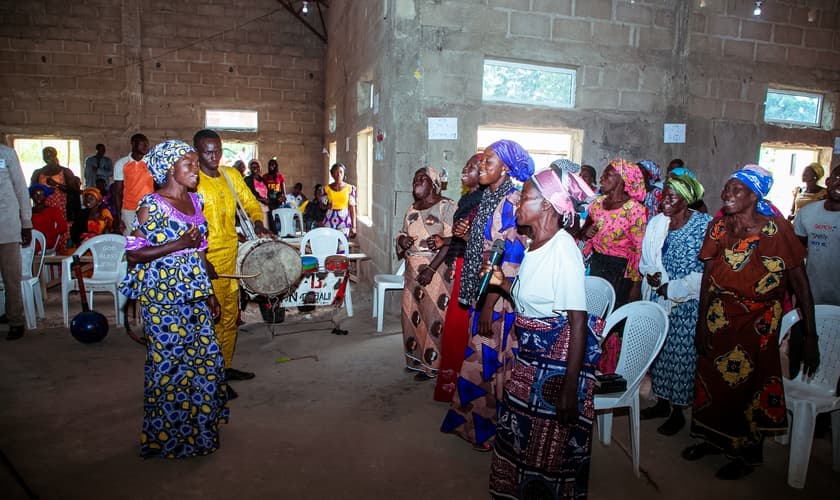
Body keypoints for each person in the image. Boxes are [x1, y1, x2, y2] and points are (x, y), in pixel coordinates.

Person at [683, 166, 819, 480]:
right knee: (711, 381)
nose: (727, 195)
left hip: (758, 321)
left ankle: (746, 453)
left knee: (749, 386)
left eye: (736, 190)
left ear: (754, 195)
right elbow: (707, 277)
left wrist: (810, 335)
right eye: (727, 189)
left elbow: (800, 282)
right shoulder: (718, 227)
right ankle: (712, 439)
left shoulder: (776, 230)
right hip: (718, 318)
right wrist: (702, 322)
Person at [483, 165, 604, 499]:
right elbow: (528, 296)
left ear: (548, 206)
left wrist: (569, 390)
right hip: (531, 359)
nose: (518, 205)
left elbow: (577, 322)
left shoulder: (563, 250)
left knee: (547, 448)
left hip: (555, 367)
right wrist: (498, 282)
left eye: (525, 198)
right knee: (522, 435)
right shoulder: (535, 244)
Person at [119, 139, 229, 458]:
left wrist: (209, 291)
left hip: (195, 295)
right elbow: (134, 255)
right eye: (189, 164)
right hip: (163, 300)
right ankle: (168, 438)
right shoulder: (150, 205)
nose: (196, 169)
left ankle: (200, 432)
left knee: (207, 362)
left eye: (196, 163)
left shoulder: (196, 202)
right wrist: (177, 244)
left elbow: (200, 250)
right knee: (170, 369)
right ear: (170, 169)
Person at [441, 140, 533, 451]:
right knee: (479, 362)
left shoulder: (511, 202)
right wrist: (470, 235)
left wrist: (488, 304)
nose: (481, 166)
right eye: (481, 161)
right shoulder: (489, 196)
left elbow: (510, 258)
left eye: (488, 162)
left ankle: (491, 433)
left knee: (487, 364)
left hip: (498, 299)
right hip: (482, 290)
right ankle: (474, 427)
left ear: (505, 168)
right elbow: (487, 245)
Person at [194, 129, 270, 397]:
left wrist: (258, 222)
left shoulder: (231, 175)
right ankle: (212, 378)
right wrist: (201, 262)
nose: (214, 157)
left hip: (232, 256)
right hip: (206, 260)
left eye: (218, 150)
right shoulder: (193, 181)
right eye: (208, 152)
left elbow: (250, 203)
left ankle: (224, 367)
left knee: (230, 317)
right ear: (197, 152)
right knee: (210, 320)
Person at [638, 172, 712, 436]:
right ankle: (662, 402)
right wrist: (652, 275)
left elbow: (706, 271)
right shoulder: (658, 222)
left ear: (687, 198)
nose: (664, 199)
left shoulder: (704, 225)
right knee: (660, 353)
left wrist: (675, 288)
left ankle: (679, 411)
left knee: (681, 358)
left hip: (686, 303)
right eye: (664, 193)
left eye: (672, 195)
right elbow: (646, 258)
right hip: (659, 296)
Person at [580, 158, 647, 373]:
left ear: (622, 180)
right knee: (592, 317)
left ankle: (608, 372)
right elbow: (585, 231)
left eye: (608, 174)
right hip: (597, 266)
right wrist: (585, 233)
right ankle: (587, 366)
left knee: (613, 323)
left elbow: (638, 250)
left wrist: (635, 286)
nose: (602, 178)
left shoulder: (634, 210)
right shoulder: (597, 204)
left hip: (621, 273)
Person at [396, 167, 456, 380]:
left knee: (432, 317)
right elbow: (403, 233)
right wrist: (402, 240)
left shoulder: (446, 207)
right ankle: (415, 360)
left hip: (437, 271)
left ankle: (432, 367)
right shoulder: (411, 209)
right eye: (415, 178)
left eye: (423, 178)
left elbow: (452, 241)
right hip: (413, 271)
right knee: (412, 315)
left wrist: (431, 269)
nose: (416, 182)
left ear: (434, 184)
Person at [433, 153, 484, 402]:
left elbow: (481, 239)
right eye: (466, 165)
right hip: (459, 262)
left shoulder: (484, 200)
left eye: (473, 166)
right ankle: (451, 384)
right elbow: (462, 235)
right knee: (453, 328)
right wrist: (447, 241)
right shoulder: (467, 198)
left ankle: (459, 386)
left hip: (471, 268)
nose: (466, 169)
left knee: (458, 327)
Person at [794, 164, 840, 306]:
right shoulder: (807, 213)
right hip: (811, 294)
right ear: (828, 182)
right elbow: (796, 256)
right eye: (837, 178)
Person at [0, 145, 33, 340]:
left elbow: (21, 189)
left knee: (11, 276)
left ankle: (16, 320)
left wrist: (26, 222)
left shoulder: (6, 154)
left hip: (6, 225)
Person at [30, 147, 81, 251]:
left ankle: (61, 262)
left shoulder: (65, 171)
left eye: (50, 155)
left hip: (62, 207)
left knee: (61, 233)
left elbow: (74, 190)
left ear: (55, 155)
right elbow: (32, 190)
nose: (48, 158)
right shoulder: (38, 172)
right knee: (46, 232)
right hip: (44, 208)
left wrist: (57, 185)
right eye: (46, 156)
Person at [113, 133, 152, 235]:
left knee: (147, 237)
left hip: (149, 207)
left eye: (147, 144)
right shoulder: (122, 164)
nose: (146, 147)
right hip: (129, 209)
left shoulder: (152, 163)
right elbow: (117, 192)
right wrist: (118, 216)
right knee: (130, 239)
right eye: (143, 144)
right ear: (134, 144)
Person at [30, 183, 68, 253]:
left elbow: (63, 227)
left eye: (41, 194)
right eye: (35, 194)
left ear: (45, 196)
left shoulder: (54, 211)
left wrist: (48, 235)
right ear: (31, 196)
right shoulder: (28, 212)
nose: (38, 196)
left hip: (47, 240)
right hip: (32, 240)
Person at [323, 163, 357, 238]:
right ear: (332, 174)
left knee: (342, 245)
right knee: (330, 245)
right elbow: (322, 205)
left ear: (344, 174)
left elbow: (352, 208)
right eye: (336, 172)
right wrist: (327, 206)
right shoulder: (326, 189)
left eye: (341, 172)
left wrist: (354, 227)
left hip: (344, 221)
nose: (339, 174)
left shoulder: (350, 189)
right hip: (330, 219)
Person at [243, 159, 270, 227]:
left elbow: (268, 193)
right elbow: (250, 194)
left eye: (256, 166)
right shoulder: (248, 180)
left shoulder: (263, 180)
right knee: (258, 227)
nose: (255, 168)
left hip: (265, 207)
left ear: (259, 168)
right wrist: (263, 200)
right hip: (255, 206)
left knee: (265, 227)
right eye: (252, 167)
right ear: (250, 169)